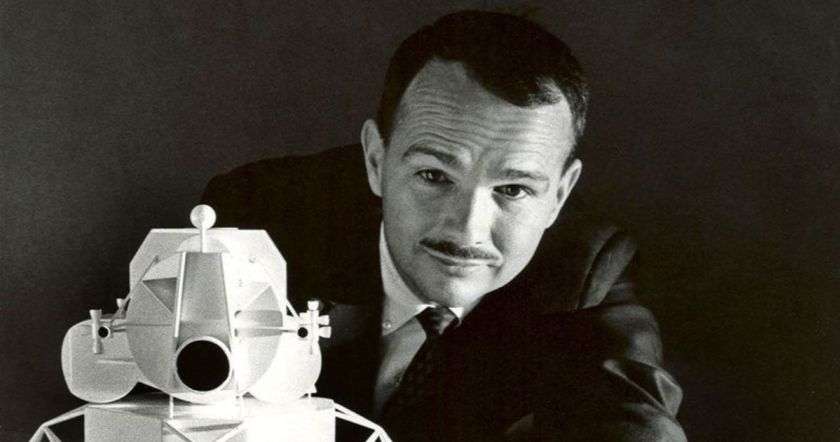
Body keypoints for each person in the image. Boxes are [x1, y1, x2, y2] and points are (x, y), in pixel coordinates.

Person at [202, 10, 685, 441]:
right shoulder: (257, 220)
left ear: (559, 195)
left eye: (512, 189)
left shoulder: (586, 275)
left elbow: (635, 426)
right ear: (376, 160)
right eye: (434, 176)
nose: (467, 229)